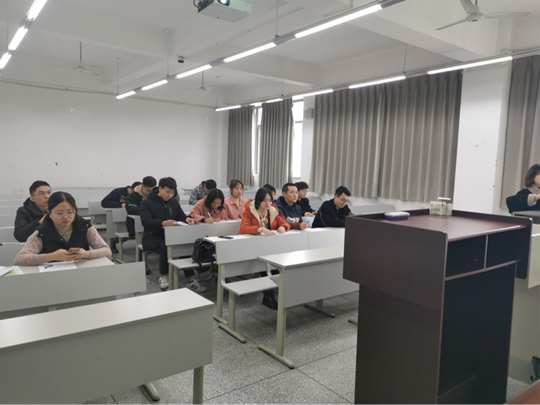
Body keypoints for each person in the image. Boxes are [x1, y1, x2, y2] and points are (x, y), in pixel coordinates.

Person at [140, 177, 206, 293]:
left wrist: (187, 219)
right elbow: (146, 222)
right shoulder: (147, 202)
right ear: (160, 189)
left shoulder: (173, 202)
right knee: (166, 245)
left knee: (182, 245)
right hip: (153, 236)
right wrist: (162, 222)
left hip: (172, 236)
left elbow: (181, 216)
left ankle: (190, 280)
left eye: (172, 192)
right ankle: (163, 275)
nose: (170, 195)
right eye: (167, 192)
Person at [14, 191, 111, 265]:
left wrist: (86, 254)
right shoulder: (41, 232)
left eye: (70, 212)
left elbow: (107, 251)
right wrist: (50, 257)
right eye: (59, 213)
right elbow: (20, 259)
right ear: (49, 213)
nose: (65, 217)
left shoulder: (86, 228)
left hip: (81, 273)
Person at [239, 187, 290, 309]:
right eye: (265, 201)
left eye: (270, 200)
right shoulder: (249, 210)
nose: (268, 203)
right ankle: (269, 295)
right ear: (258, 201)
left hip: (266, 247)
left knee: (275, 265)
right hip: (249, 246)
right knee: (266, 265)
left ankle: (272, 294)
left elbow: (284, 223)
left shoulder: (272, 211)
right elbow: (244, 228)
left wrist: (283, 227)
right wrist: (260, 229)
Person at [101, 182, 139, 253]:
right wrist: (120, 205)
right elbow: (104, 202)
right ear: (132, 190)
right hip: (119, 217)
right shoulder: (118, 192)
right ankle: (113, 240)